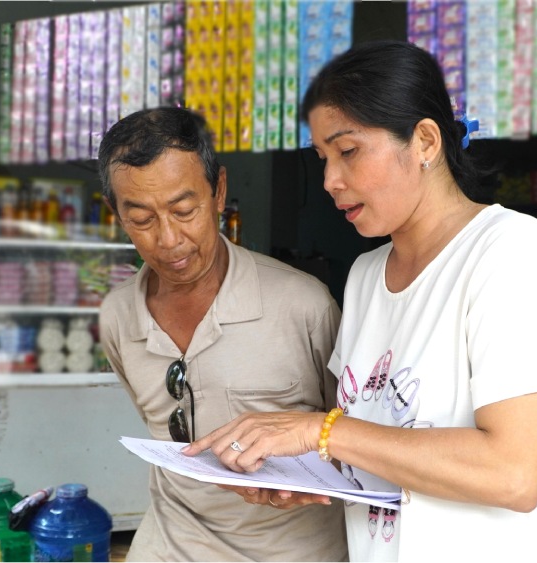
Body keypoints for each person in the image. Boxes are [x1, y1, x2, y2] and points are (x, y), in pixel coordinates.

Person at [183, 39, 537, 561]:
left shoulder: (512, 254)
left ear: (425, 141)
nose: (331, 181)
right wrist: (301, 471)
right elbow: (375, 443)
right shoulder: (365, 276)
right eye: (323, 159)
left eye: (349, 151)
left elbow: (513, 473)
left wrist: (319, 430)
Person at [96, 106, 348, 561]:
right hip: (171, 544)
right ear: (116, 214)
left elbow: (351, 437)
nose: (169, 239)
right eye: (143, 220)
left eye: (184, 210)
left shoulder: (304, 305)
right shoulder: (117, 316)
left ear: (219, 193)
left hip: (293, 550)